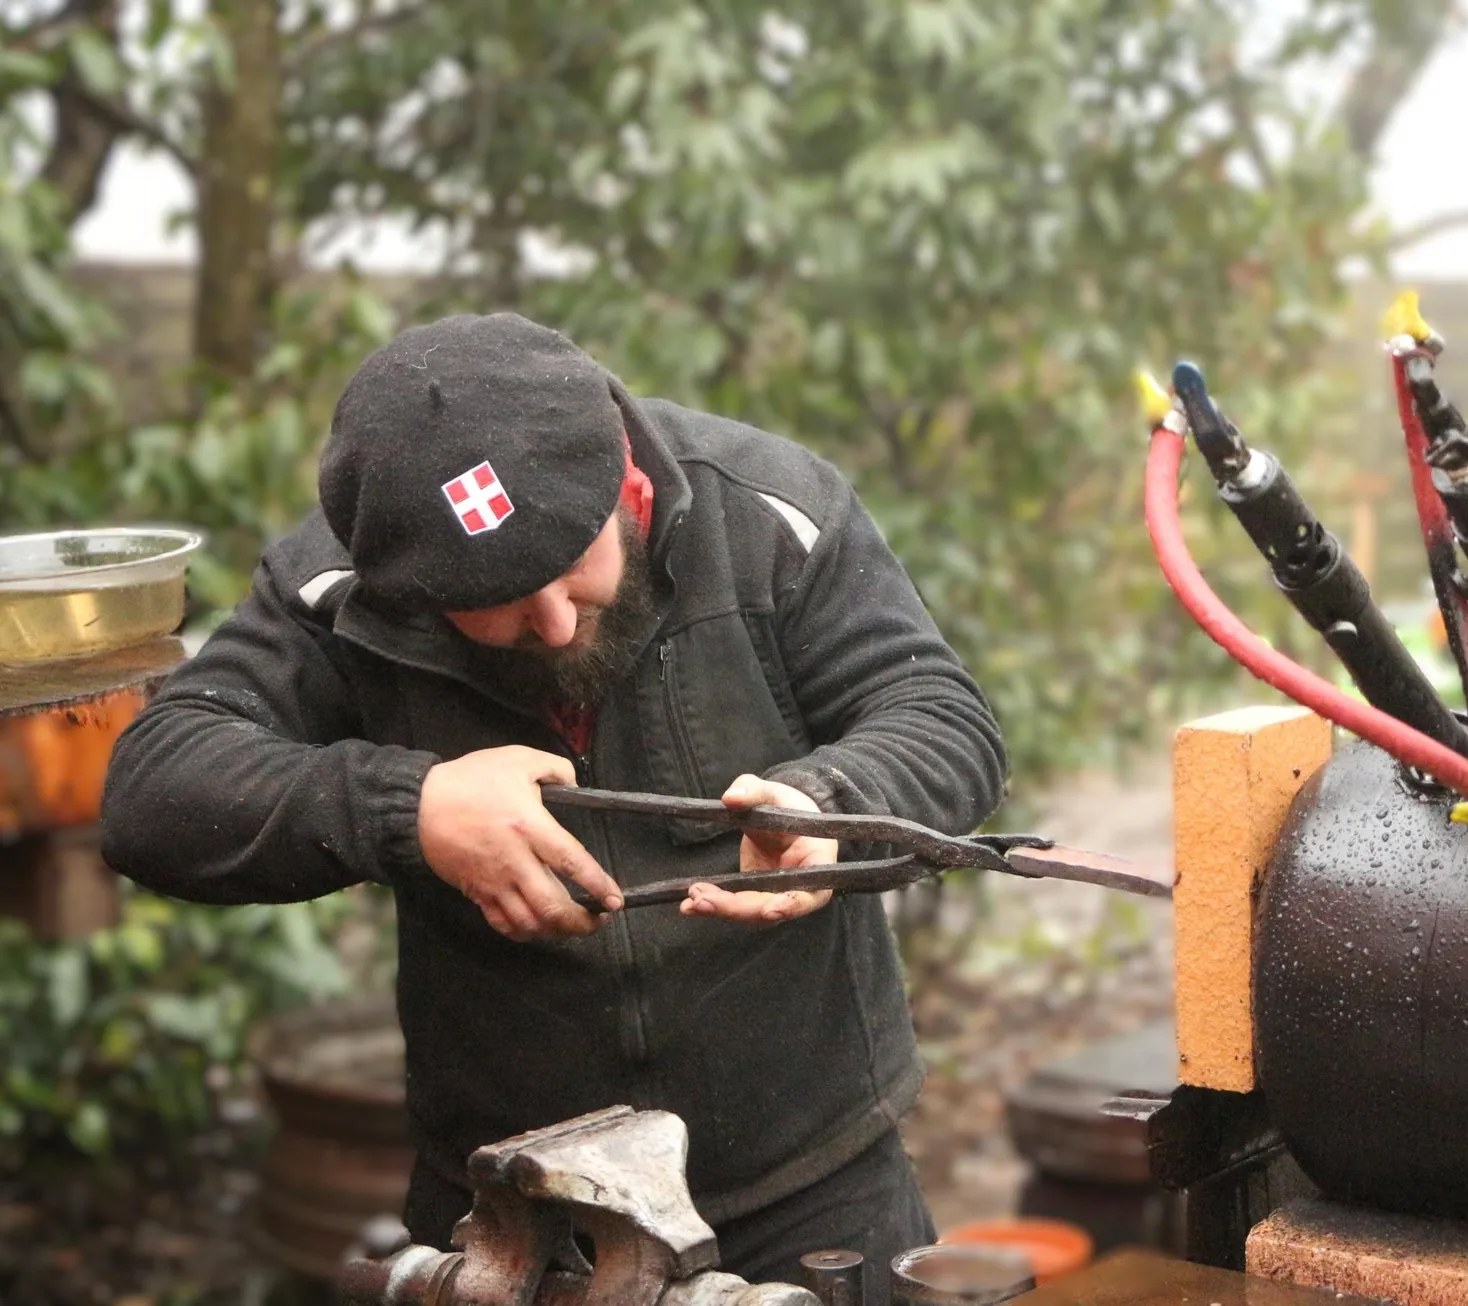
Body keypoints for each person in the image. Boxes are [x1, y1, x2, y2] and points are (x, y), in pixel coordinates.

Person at [100, 312, 1008, 1299]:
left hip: (812, 1186)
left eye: (572, 564)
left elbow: (940, 715)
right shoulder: (351, 578)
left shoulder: (766, 511)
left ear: (624, 477)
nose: (556, 621)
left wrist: (831, 801)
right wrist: (413, 807)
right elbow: (155, 793)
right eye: (494, 603)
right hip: (513, 1214)